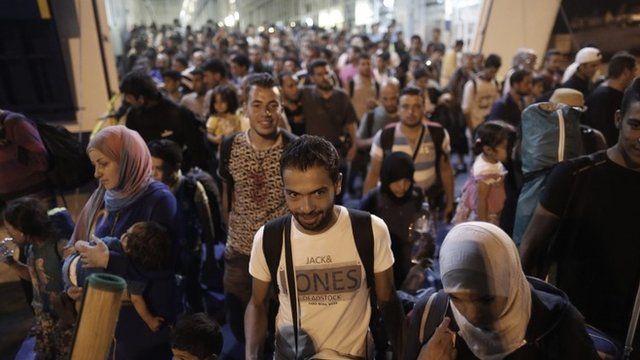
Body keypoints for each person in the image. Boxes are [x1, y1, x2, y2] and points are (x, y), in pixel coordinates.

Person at [245, 135, 405, 359]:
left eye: (318, 193)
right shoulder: (269, 238)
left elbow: (387, 298)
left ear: (338, 183)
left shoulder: (370, 230)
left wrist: (402, 352)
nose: (306, 207)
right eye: (294, 195)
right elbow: (257, 304)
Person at [519, 77, 640, 352]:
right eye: (636, 125)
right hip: (573, 333)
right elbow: (529, 251)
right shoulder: (574, 176)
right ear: (618, 119)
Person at [410, 222, 598, 360]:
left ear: (509, 281)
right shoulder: (431, 316)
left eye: (485, 299)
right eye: (455, 298)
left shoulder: (556, 325)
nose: (472, 315)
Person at [217, 73, 296, 345]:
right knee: (239, 325)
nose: (266, 113)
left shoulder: (293, 147)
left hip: (282, 251)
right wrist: (231, 230)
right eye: (257, 104)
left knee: (281, 325)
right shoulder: (229, 146)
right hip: (240, 250)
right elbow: (227, 195)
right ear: (245, 108)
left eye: (273, 105)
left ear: (281, 108)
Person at [68, 125, 176, 284]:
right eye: (94, 165)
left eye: (103, 163)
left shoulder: (159, 200)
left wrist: (108, 261)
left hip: (138, 306)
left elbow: (166, 267)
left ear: (127, 160)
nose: (96, 173)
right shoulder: (104, 195)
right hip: (99, 299)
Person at [149, 139, 221, 313]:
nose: (153, 173)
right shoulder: (150, 189)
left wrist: (210, 255)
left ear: (175, 166)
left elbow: (206, 224)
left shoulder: (191, 188)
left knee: (193, 295)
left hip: (189, 255)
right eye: (150, 168)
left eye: (158, 169)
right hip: (161, 257)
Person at [363, 87, 455, 220]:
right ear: (398, 109)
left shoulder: (438, 134)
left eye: (417, 106)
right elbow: (373, 174)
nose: (411, 112)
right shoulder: (385, 136)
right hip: (392, 207)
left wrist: (450, 203)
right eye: (405, 107)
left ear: (424, 107)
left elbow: (446, 170)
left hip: (427, 206)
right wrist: (367, 213)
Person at [3, 197, 73, 359]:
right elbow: (34, 277)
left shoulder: (60, 247)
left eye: (9, 229)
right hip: (45, 318)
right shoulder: (31, 247)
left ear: (21, 230)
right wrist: (11, 263)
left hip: (65, 320)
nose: (8, 234)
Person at [120, 71, 211, 172]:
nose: (127, 100)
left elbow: (197, 150)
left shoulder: (177, 113)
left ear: (141, 98)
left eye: (129, 97)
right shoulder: (132, 117)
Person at [359, 151, 423, 287]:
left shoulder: (417, 197)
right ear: (387, 179)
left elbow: (426, 231)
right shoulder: (373, 200)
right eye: (397, 182)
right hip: (382, 266)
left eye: (407, 181)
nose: (402, 187)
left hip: (411, 267)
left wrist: (421, 260)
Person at [452, 122, 510, 226]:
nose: (508, 150)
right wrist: (484, 225)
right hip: (485, 214)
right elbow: (481, 200)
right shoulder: (485, 171)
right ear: (488, 149)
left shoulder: (491, 160)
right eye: (504, 147)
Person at [584, 51, 637, 146]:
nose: (635, 76)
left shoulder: (615, 93)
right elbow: (605, 134)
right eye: (634, 71)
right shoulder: (603, 97)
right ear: (626, 72)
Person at [0, 109, 49, 206]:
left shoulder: (15, 122)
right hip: (7, 195)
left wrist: (8, 152)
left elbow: (42, 160)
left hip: (32, 192)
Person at [461, 54, 501, 132]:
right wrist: (471, 129)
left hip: (487, 126)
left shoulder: (495, 84)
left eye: (495, 73)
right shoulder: (472, 85)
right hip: (474, 125)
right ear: (485, 67)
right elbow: (466, 110)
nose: (492, 75)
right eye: (491, 72)